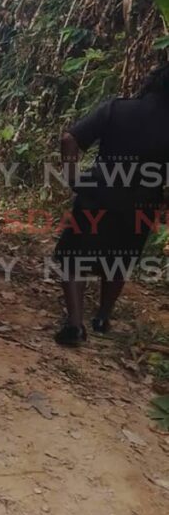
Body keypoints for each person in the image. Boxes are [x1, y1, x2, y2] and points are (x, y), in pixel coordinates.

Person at [53, 62, 169, 346]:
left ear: (150, 83)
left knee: (72, 259)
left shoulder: (116, 109)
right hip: (142, 203)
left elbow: (69, 139)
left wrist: (72, 177)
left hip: (97, 193)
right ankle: (103, 317)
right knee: (119, 260)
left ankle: (75, 324)